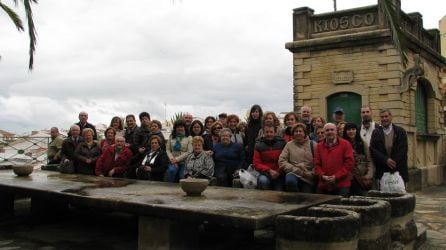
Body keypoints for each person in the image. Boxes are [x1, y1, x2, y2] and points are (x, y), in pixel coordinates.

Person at [370, 109, 409, 187]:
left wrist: (393, 161)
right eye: (382, 117)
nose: (384, 119)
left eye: (386, 116)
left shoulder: (400, 131)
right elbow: (373, 149)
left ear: (391, 117)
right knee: (384, 195)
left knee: (399, 194)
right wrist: (386, 160)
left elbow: (404, 148)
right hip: (383, 169)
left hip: (398, 168)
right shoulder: (376, 132)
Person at [314, 123, 355, 197]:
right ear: (324, 132)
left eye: (332, 130)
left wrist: (336, 176)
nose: (330, 132)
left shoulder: (346, 144)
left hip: (342, 185)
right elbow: (316, 164)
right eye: (327, 130)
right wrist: (322, 176)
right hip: (324, 185)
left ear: (336, 131)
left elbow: (349, 164)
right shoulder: (319, 146)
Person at [279, 123, 316, 193]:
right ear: (293, 133)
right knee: (290, 181)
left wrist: (313, 173)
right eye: (296, 131)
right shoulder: (289, 145)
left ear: (305, 133)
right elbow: (282, 161)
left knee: (306, 196)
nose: (298, 133)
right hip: (294, 173)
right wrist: (296, 170)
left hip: (309, 176)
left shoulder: (313, 144)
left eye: (300, 131)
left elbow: (319, 161)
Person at [342, 123, 374, 196]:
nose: (351, 131)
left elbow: (369, 161)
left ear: (357, 131)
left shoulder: (363, 144)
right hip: (348, 179)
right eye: (348, 129)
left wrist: (369, 175)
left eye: (353, 129)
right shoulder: (342, 144)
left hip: (362, 179)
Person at [253, 124, 286, 191]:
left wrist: (278, 171)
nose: (269, 134)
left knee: (279, 191)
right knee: (263, 181)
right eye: (267, 132)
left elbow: (285, 160)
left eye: (271, 132)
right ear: (263, 133)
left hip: (279, 173)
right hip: (265, 173)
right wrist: (269, 171)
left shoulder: (282, 144)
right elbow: (256, 163)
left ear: (275, 133)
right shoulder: (258, 145)